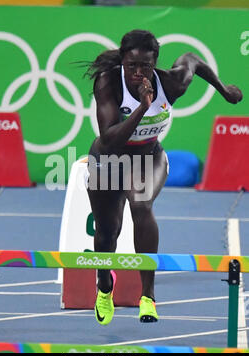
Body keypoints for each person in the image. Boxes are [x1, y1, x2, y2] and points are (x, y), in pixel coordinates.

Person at [85, 29, 243, 326]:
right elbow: (108, 140)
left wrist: (224, 89)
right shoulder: (108, 82)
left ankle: (148, 296)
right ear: (122, 62)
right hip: (109, 158)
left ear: (155, 62)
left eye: (145, 65)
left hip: (149, 157)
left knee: (141, 205)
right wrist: (143, 107)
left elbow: (193, 60)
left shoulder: (170, 83)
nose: (138, 72)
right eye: (131, 66)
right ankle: (104, 284)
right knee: (107, 231)